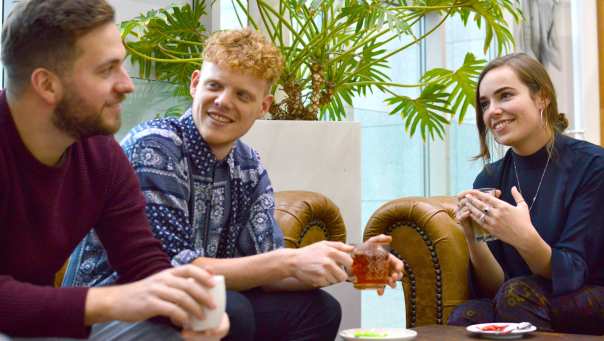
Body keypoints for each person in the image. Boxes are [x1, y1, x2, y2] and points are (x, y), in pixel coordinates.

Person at [66, 28, 405, 341]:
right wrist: (289, 261)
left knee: (319, 310)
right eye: (215, 85)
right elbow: (169, 271)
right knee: (229, 309)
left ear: (263, 107)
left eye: (242, 95)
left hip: (191, 303)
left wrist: (347, 262)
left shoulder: (249, 166)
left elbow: (264, 266)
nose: (224, 101)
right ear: (195, 84)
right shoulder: (155, 147)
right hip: (109, 309)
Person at [0, 0, 228, 339]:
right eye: (106, 70)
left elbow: (142, 264)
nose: (127, 84)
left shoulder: (100, 155)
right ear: (47, 85)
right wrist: (110, 301)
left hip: (36, 326)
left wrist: (186, 307)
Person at [449, 53, 604, 334]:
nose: (492, 111)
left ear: (542, 97)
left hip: (591, 291)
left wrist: (523, 237)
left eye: (505, 96)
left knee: (518, 293)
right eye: (485, 104)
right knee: (468, 314)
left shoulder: (593, 167)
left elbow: (571, 274)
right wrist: (473, 239)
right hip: (521, 296)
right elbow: (493, 286)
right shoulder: (490, 178)